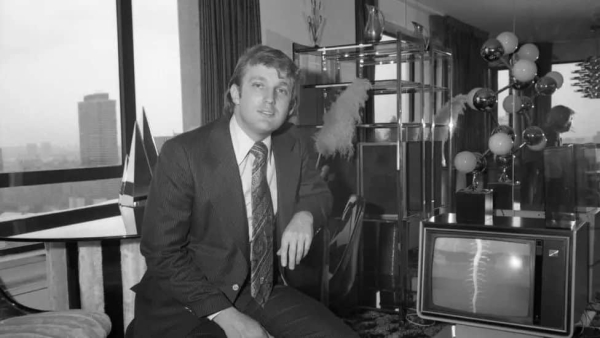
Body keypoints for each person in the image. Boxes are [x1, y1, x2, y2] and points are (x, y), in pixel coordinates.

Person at [129, 44, 359, 338]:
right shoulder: (183, 153)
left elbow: (319, 194)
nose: (270, 100)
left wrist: (305, 215)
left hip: (258, 291)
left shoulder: (293, 144)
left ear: (290, 105)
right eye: (258, 85)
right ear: (236, 94)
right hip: (184, 303)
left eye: (282, 90)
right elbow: (162, 252)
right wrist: (228, 318)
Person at [521, 105, 575, 209]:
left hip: (545, 178)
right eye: (570, 118)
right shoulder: (550, 134)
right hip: (547, 179)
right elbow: (550, 160)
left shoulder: (549, 132)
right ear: (562, 118)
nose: (571, 122)